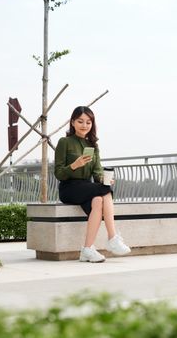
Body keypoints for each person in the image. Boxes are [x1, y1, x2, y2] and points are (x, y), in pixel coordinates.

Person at [54, 106, 131, 263]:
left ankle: (87, 249)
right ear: (73, 122)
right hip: (69, 188)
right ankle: (112, 238)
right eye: (80, 121)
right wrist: (75, 165)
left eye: (88, 122)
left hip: (86, 188)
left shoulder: (93, 146)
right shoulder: (65, 142)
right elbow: (59, 173)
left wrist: (104, 178)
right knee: (106, 191)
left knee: (98, 200)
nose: (84, 125)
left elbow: (96, 173)